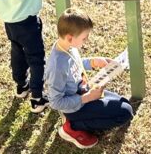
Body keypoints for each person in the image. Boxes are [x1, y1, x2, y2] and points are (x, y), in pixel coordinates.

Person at [45, 8, 134, 149]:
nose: (86, 41)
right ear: (70, 37)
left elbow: (74, 64)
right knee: (125, 113)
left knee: (123, 102)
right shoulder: (56, 65)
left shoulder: (68, 46)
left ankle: (82, 117)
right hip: (75, 107)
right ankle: (72, 126)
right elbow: (56, 102)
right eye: (84, 38)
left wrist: (92, 62)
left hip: (85, 91)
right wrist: (87, 98)